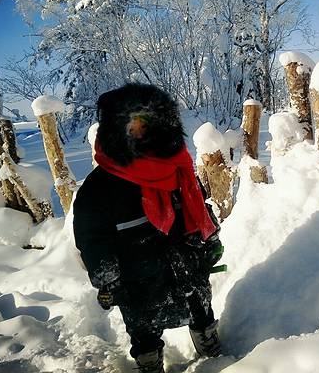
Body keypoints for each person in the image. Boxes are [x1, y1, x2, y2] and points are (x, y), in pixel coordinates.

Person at [73, 83, 223, 373]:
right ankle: (149, 359)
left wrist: (210, 237)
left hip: (186, 261)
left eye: (148, 121)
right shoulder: (99, 188)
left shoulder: (175, 167)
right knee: (143, 329)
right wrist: (107, 276)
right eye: (131, 123)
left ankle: (208, 342)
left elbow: (197, 205)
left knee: (200, 307)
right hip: (137, 276)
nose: (140, 130)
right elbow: (92, 237)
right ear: (115, 128)